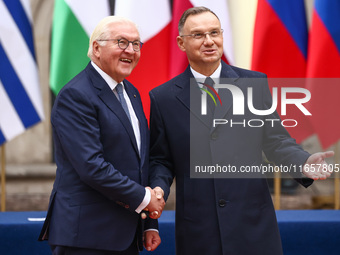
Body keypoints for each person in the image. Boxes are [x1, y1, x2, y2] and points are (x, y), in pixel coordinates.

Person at [149, 6, 333, 255]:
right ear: (181, 43)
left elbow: (277, 141)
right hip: (199, 231)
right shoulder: (163, 97)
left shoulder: (254, 84)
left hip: (253, 227)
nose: (209, 41)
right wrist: (158, 187)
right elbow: (161, 158)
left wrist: (303, 161)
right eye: (198, 35)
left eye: (215, 32)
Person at [39, 16, 165, 255]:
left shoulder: (132, 93)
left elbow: (140, 164)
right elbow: (92, 166)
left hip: (126, 235)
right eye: (122, 42)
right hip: (86, 237)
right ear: (96, 48)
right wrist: (144, 198)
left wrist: (149, 222)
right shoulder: (76, 96)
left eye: (137, 44)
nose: (131, 50)